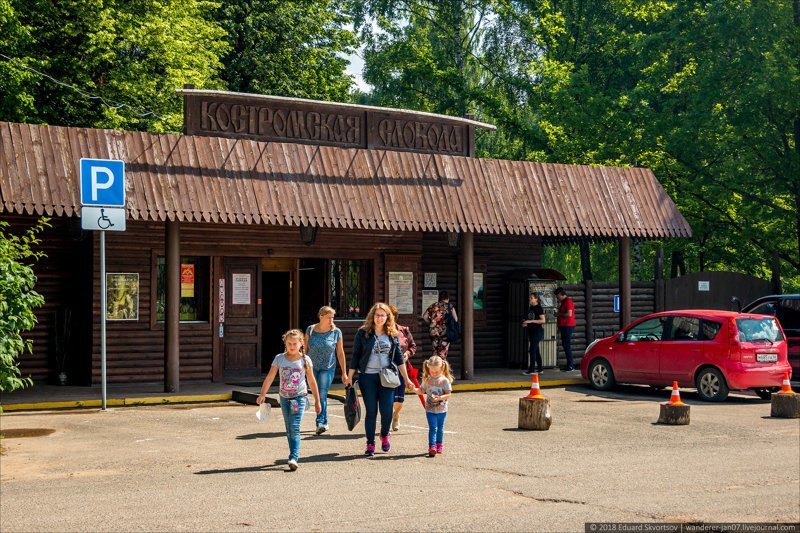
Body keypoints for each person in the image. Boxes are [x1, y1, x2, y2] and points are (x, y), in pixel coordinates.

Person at [347, 302, 415, 456]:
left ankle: (384, 435)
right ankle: (370, 443)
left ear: (387, 317)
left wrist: (407, 379)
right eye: (377, 315)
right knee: (371, 411)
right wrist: (350, 376)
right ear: (373, 316)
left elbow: (399, 358)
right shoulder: (363, 333)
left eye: (382, 315)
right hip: (367, 377)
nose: (379, 318)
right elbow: (356, 355)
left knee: (386, 411)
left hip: (387, 377)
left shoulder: (392, 334)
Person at [256, 329, 321, 471]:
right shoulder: (279, 358)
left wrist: (317, 400)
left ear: (301, 344)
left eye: (294, 343)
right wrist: (263, 394)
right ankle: (293, 454)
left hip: (299, 397)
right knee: (288, 428)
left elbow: (311, 380)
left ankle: (293, 457)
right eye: (289, 343)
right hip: (284, 398)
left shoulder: (305, 360)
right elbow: (270, 377)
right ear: (285, 343)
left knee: (295, 426)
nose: (292, 346)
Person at [305, 306, 349, 435]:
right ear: (321, 317)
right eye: (329, 317)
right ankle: (324, 420)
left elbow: (340, 354)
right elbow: (305, 350)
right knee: (317, 394)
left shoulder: (336, 332)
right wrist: (302, 367)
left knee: (322, 394)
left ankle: (320, 422)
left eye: (332, 317)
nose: (331, 320)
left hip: (328, 367)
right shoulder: (311, 330)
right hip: (312, 367)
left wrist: (344, 372)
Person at [389, 305, 418, 432]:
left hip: (402, 369)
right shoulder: (381, 332)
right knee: (388, 396)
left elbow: (412, 346)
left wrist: (408, 353)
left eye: (392, 316)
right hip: (387, 369)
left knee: (399, 398)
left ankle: (396, 415)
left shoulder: (404, 330)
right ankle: (387, 419)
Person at [417, 355, 454, 457]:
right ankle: (432, 447)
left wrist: (439, 398)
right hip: (430, 409)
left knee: (440, 428)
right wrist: (413, 389)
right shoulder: (427, 379)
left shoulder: (445, 381)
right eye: (432, 371)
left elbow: (448, 394)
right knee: (433, 428)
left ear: (442, 368)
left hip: (442, 409)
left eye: (436, 372)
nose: (434, 373)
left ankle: (439, 444)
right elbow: (421, 390)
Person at [422, 290, 458, 359]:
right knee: (442, 353)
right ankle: (441, 368)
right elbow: (456, 319)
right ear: (447, 298)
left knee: (435, 352)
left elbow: (424, 316)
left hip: (433, 332)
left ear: (439, 298)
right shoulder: (450, 306)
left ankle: (434, 367)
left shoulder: (433, 305)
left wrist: (432, 322)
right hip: (445, 333)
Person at [522, 292, 546, 375]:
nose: (530, 299)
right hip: (531, 331)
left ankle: (531, 370)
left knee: (532, 349)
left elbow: (543, 320)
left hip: (537, 331)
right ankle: (540, 369)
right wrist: (525, 323)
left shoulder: (539, 308)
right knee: (536, 350)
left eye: (532, 298)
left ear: (536, 299)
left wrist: (531, 321)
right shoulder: (530, 308)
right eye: (530, 297)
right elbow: (528, 318)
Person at [554, 286, 576, 371]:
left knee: (566, 345)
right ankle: (569, 365)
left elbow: (569, 314)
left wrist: (558, 314)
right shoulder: (563, 302)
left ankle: (570, 365)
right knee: (565, 345)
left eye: (557, 296)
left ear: (560, 294)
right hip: (564, 326)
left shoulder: (568, 301)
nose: (557, 298)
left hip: (568, 325)